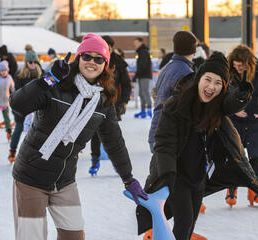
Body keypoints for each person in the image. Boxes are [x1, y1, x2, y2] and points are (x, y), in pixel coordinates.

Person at [9, 33, 147, 240]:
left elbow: (114, 142)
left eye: (98, 59)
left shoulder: (103, 101)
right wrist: (47, 80)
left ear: (105, 64)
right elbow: (18, 105)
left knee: (73, 236)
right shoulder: (56, 84)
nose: (92, 62)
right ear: (78, 58)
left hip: (64, 181)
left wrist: (128, 179)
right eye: (87, 57)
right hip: (31, 178)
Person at [136, 52, 258, 240]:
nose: (211, 87)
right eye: (208, 80)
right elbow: (164, 144)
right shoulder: (175, 106)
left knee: (189, 223)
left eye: (218, 83)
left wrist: (241, 93)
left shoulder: (216, 107)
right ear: (199, 79)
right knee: (184, 222)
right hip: (177, 175)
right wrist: (167, 175)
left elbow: (231, 103)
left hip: (199, 176)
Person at [225, 44, 258, 208]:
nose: (237, 68)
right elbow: (221, 94)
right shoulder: (228, 71)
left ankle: (254, 193)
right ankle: (231, 191)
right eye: (235, 65)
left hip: (255, 120)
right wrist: (232, 109)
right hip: (234, 122)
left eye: (240, 66)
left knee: (255, 157)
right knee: (233, 157)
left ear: (248, 64)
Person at [88, 35, 132, 175]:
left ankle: (117, 164)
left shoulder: (119, 64)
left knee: (113, 135)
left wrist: (124, 101)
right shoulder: (97, 61)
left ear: (112, 48)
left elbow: (126, 84)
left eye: (108, 47)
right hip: (97, 102)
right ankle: (95, 160)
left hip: (114, 103)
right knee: (95, 133)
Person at [148, 31, 198, 153]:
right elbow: (185, 107)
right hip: (169, 135)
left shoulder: (167, 67)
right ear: (193, 49)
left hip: (157, 131)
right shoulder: (185, 73)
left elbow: (156, 94)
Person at [8, 49, 43, 163]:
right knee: (18, 128)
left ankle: (35, 155)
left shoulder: (41, 73)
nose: (33, 64)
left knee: (38, 132)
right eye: (30, 62)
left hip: (38, 108)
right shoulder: (19, 75)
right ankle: (12, 150)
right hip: (23, 108)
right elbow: (17, 93)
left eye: (35, 62)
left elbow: (48, 87)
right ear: (26, 62)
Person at [133, 37, 153, 119]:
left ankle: (149, 109)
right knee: (141, 93)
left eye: (136, 43)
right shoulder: (140, 52)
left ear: (141, 43)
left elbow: (142, 65)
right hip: (142, 75)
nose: (135, 45)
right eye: (134, 44)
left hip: (145, 75)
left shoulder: (143, 52)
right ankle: (143, 110)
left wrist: (136, 75)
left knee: (145, 92)